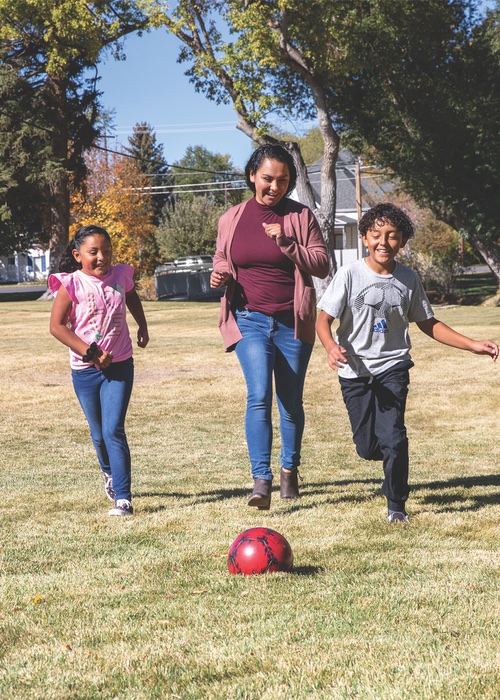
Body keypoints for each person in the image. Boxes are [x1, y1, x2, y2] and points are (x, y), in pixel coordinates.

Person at [316, 203, 498, 522]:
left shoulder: (408, 279)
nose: (383, 242)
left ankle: (396, 505)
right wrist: (331, 347)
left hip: (393, 367)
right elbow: (322, 321)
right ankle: (380, 454)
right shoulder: (349, 275)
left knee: (394, 437)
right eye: (376, 235)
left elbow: (428, 323)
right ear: (364, 238)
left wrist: (471, 345)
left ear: (402, 241)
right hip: (355, 371)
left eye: (392, 236)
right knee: (368, 447)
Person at [210, 144, 329, 510]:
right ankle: (260, 480)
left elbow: (322, 264)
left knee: (290, 401)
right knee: (258, 393)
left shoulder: (300, 216)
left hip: (293, 321)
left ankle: (288, 470)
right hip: (249, 319)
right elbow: (220, 259)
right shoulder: (231, 218)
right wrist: (218, 276)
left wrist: (286, 242)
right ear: (252, 176)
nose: (275, 187)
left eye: (283, 180)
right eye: (268, 179)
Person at [49, 225, 149, 516]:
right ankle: (109, 473)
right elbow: (56, 327)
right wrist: (91, 353)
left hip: (120, 364)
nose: (102, 257)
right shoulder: (72, 284)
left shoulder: (120, 276)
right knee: (98, 433)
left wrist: (142, 325)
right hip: (85, 370)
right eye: (93, 252)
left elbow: (131, 296)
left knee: (113, 429)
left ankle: (124, 498)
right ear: (78, 255)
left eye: (106, 250)